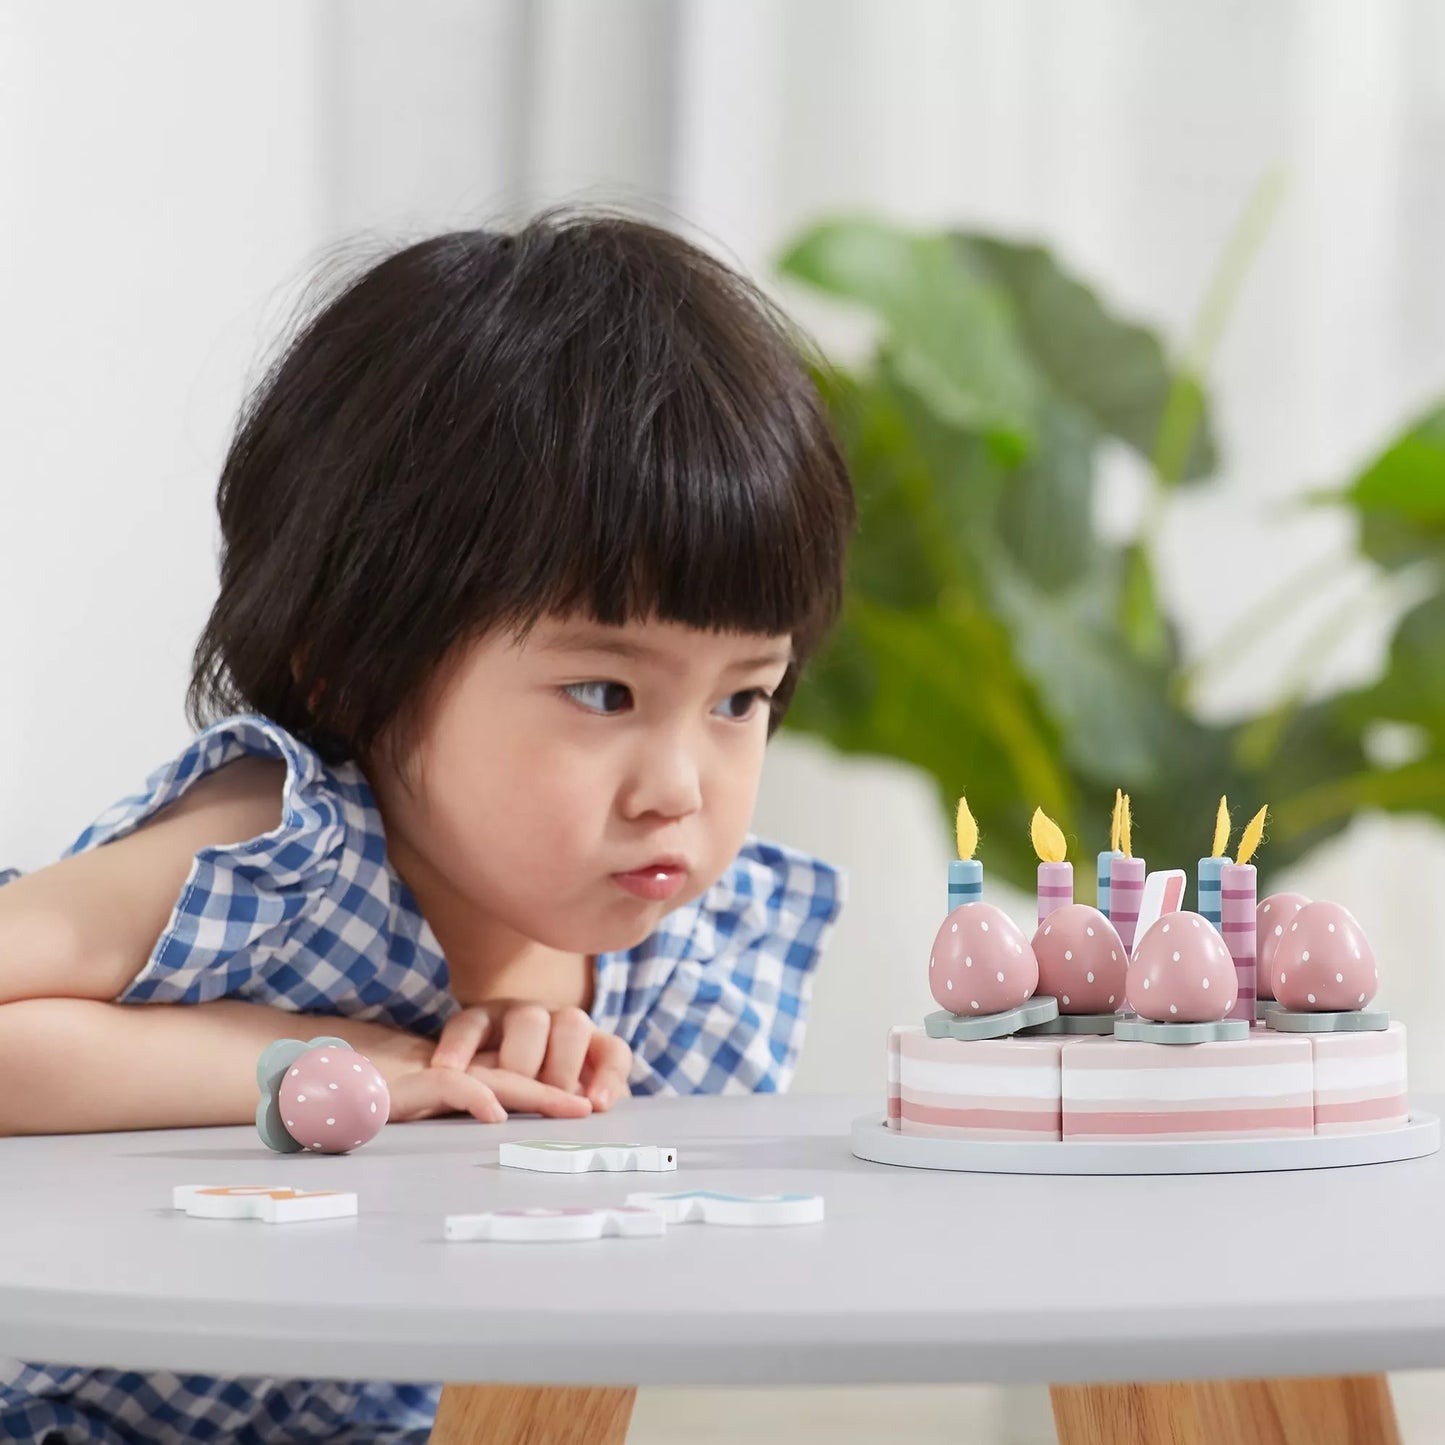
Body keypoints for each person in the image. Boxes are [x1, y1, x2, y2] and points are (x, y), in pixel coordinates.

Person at [0, 209, 855, 1442]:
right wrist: (336, 1063)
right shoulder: (282, 850)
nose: (679, 783)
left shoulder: (681, 967)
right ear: (355, 668)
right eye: (603, 691)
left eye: (740, 697)